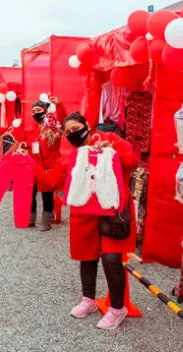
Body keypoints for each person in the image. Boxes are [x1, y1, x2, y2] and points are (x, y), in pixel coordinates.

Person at [62, 112, 138, 330]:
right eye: (67, 132)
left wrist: (110, 151)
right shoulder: (74, 150)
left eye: (76, 128)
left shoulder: (111, 139)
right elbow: (66, 174)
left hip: (111, 207)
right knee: (86, 255)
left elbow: (132, 161)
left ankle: (117, 308)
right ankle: (89, 299)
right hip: (84, 209)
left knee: (112, 258)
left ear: (86, 125)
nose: (72, 134)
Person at [28, 100, 64, 231]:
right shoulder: (32, 128)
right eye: (33, 111)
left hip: (49, 165)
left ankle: (46, 221)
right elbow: (29, 145)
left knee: (47, 194)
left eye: (38, 110)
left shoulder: (53, 127)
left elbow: (63, 122)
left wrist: (58, 107)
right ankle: (30, 219)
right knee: (30, 192)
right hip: (33, 165)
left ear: (45, 110)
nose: (35, 113)